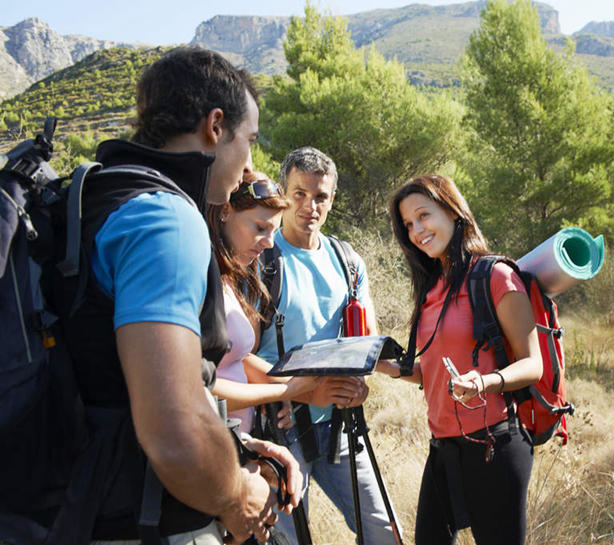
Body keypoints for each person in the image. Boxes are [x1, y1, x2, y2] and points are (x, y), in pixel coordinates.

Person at [63, 47, 300, 545]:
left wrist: (234, 447)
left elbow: (112, 388)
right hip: (142, 521)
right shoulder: (165, 219)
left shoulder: (96, 196)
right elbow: (172, 428)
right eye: (249, 141)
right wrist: (236, 493)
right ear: (215, 126)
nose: (249, 166)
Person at [379, 173, 542, 545]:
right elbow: (434, 373)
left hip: (495, 445)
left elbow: (533, 364)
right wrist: (387, 368)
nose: (417, 230)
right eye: (408, 224)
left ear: (453, 212)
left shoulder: (495, 276)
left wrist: (484, 383)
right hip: (443, 448)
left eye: (424, 215)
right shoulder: (431, 288)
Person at [254, 147, 397, 544]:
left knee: (385, 532)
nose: (310, 206)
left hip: (340, 426)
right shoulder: (261, 259)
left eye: (320, 196)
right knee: (285, 541)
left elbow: (365, 342)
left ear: (332, 198)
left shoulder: (348, 261)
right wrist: (287, 391)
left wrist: (360, 384)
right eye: (299, 194)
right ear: (283, 193)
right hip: (280, 429)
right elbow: (239, 354)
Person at [206, 173, 317, 434]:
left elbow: (234, 359)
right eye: (260, 228)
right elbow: (198, 389)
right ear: (225, 211)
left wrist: (280, 386)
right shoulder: (200, 277)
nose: (269, 243)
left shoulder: (226, 279)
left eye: (274, 232)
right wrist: (283, 391)